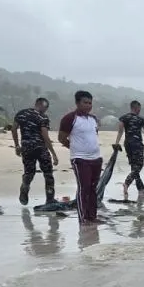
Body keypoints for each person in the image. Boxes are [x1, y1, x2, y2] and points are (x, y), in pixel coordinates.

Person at [57, 90, 104, 224]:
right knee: (84, 188)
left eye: (90, 103)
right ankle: (83, 218)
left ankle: (92, 216)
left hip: (96, 158)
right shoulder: (70, 118)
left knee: (93, 189)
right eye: (85, 103)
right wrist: (76, 149)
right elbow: (61, 138)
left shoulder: (93, 119)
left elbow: (93, 135)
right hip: (80, 159)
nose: (88, 105)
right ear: (77, 103)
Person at [12, 96, 58, 206]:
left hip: (26, 148)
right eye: (46, 108)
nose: (45, 110)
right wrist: (54, 154)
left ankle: (24, 187)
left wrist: (17, 145)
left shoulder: (21, 113)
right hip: (41, 148)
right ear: (42, 105)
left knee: (29, 172)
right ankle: (50, 200)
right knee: (48, 174)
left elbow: (13, 129)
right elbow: (45, 136)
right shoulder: (43, 117)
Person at [114, 99, 144, 198]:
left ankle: (141, 189)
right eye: (139, 108)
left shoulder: (123, 118)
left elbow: (120, 132)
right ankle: (126, 183)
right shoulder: (141, 119)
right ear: (136, 107)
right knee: (139, 165)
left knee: (134, 166)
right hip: (137, 144)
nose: (140, 110)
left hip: (128, 144)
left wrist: (116, 143)